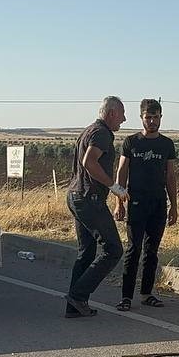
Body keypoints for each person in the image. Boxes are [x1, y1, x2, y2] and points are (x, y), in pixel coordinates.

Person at [64, 96, 128, 318]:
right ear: (111, 113)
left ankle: (74, 306)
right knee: (113, 250)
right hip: (88, 199)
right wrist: (114, 186)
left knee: (87, 252)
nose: (124, 119)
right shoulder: (101, 133)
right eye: (121, 115)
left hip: (76, 196)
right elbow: (89, 162)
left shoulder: (88, 130)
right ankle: (78, 295)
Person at [114, 99, 178, 311]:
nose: (152, 121)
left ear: (161, 117)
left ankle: (146, 293)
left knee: (152, 250)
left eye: (156, 117)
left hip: (158, 203)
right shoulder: (132, 142)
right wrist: (119, 202)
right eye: (148, 117)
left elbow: (170, 176)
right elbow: (121, 172)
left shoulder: (167, 144)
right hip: (136, 202)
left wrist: (174, 206)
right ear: (141, 118)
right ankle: (126, 297)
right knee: (133, 249)